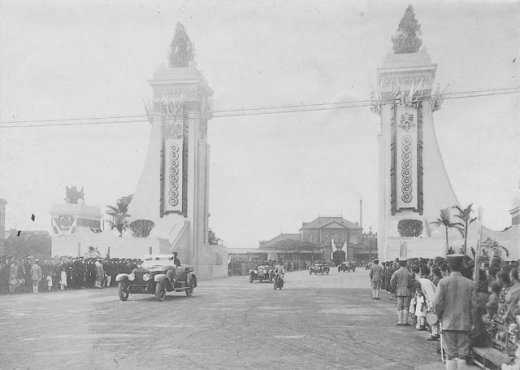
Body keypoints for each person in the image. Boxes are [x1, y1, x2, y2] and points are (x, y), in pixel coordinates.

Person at [432, 254, 477, 370]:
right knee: (463, 355)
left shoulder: (443, 282)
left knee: (450, 355)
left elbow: (436, 303)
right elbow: (474, 306)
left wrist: (439, 315)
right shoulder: (470, 283)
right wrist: (472, 322)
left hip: (448, 322)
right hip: (464, 323)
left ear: (448, 267)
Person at [390, 259, 412, 326]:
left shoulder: (396, 272)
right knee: (406, 306)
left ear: (399, 264)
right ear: (406, 264)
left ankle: (400, 321)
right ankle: (405, 321)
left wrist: (394, 287)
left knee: (399, 306)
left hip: (399, 290)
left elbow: (391, 281)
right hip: (407, 291)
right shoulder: (409, 272)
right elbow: (411, 281)